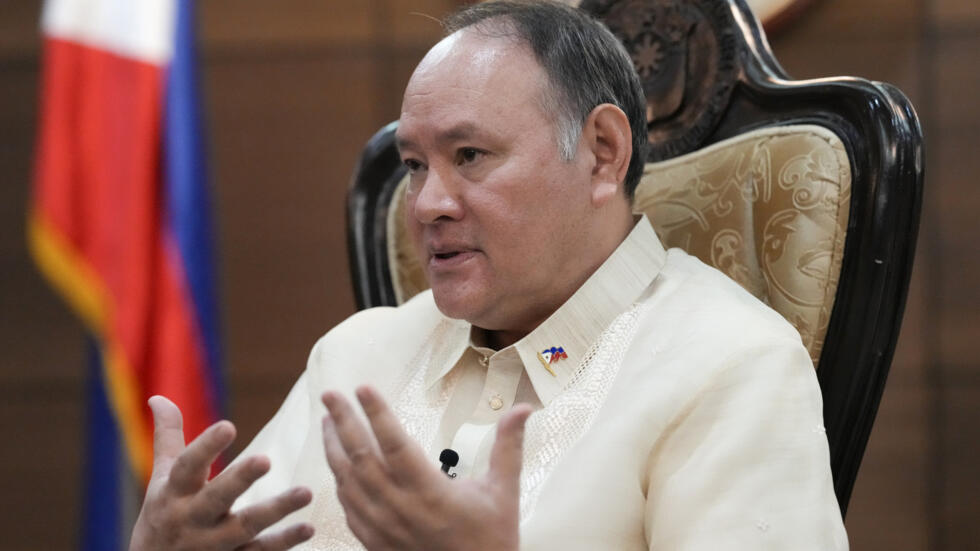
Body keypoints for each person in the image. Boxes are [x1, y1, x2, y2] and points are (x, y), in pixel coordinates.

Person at [130, 1, 848, 550]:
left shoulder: (731, 365)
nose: (427, 204)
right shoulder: (356, 355)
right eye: (415, 165)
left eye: (469, 154)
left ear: (601, 152)